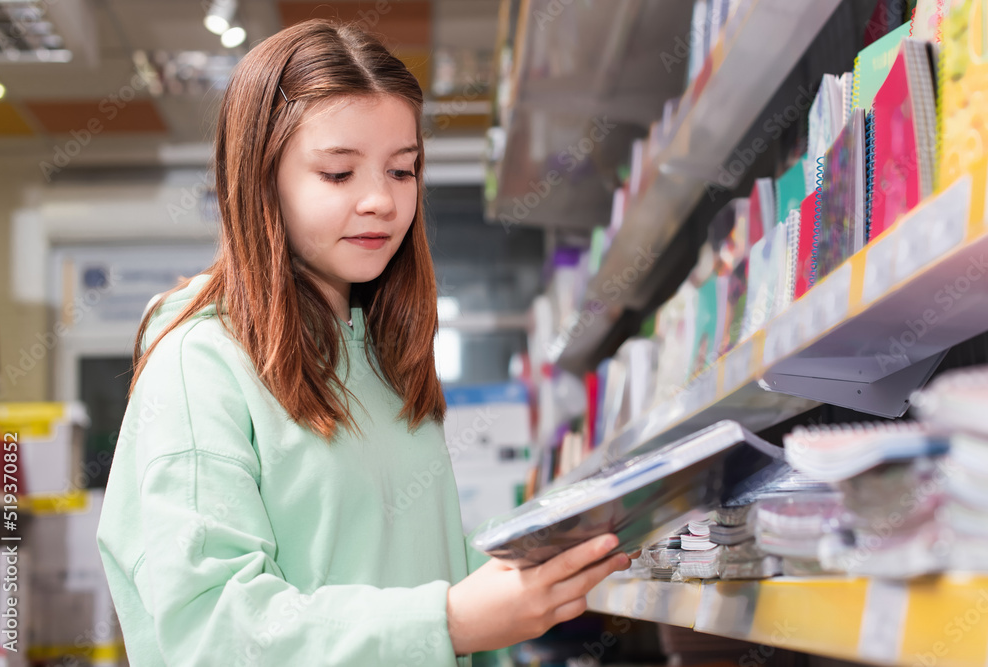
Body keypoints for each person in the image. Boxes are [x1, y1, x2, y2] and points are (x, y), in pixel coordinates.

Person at [96, 19, 634, 667]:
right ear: (260, 180)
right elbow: (210, 631)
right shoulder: (199, 362)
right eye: (338, 173)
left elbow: (407, 565)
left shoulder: (385, 358)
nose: (381, 200)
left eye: (402, 170)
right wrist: (451, 619)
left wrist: (539, 565)